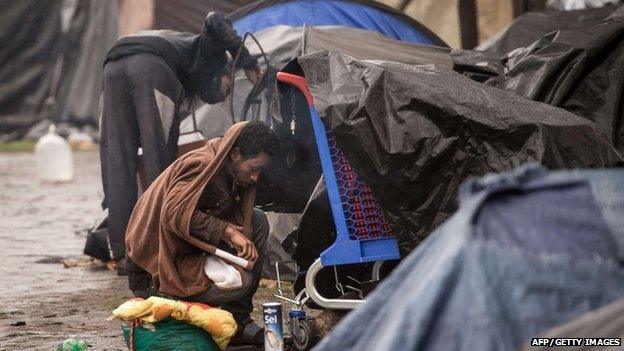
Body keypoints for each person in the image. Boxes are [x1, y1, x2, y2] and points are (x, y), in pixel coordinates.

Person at [99, 12, 261, 272]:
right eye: (227, 87)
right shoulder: (210, 53)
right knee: (160, 166)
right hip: (150, 66)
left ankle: (121, 254)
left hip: (114, 63)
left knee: (117, 160)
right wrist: (246, 60)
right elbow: (213, 19)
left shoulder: (185, 64)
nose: (224, 94)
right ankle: (154, 250)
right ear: (223, 70)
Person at [125, 121, 279, 345]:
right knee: (239, 282)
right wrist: (227, 231)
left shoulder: (229, 168)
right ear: (235, 154)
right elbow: (174, 212)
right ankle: (166, 298)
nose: (255, 178)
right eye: (254, 169)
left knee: (257, 219)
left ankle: (238, 320)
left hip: (186, 253)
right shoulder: (202, 164)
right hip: (153, 268)